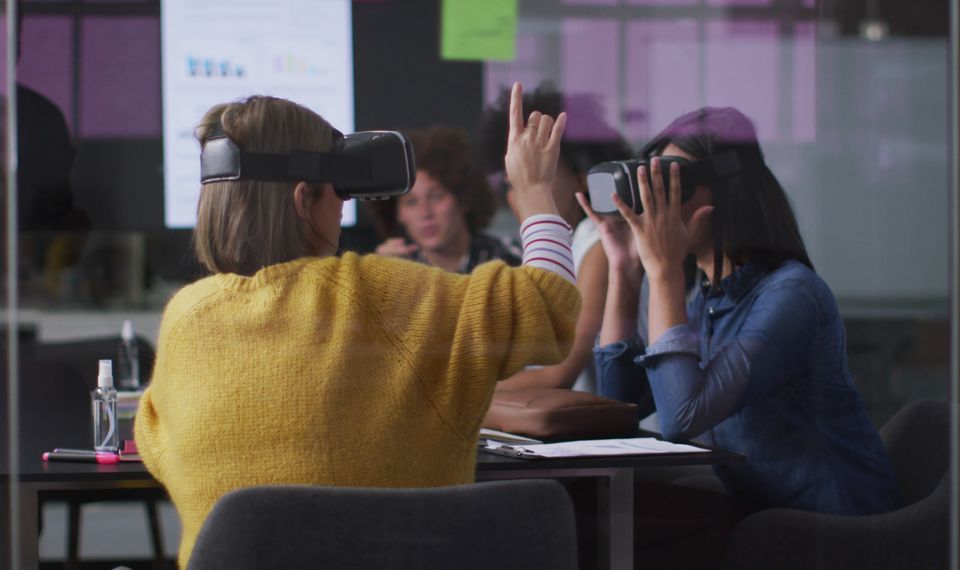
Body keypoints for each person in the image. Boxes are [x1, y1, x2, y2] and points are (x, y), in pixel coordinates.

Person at [135, 84, 581, 568]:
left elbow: (157, 446)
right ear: (304, 199)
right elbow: (548, 308)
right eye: (337, 192)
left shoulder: (186, 318)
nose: (343, 207)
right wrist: (535, 191)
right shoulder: (385, 295)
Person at [580, 107, 903, 567]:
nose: (656, 204)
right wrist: (625, 269)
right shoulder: (707, 302)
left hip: (840, 533)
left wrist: (666, 271)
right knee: (596, 516)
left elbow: (681, 419)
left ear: (727, 191)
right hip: (767, 520)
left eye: (674, 184)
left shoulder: (792, 296)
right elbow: (616, 407)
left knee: (623, 529)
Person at [476, 84, 633, 392]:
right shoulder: (555, 246)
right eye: (512, 184)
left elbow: (558, 375)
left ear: (580, 177)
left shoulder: (600, 245)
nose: (522, 194)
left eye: (540, 176)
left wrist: (454, 391)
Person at [369, 125, 520, 273]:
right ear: (397, 214)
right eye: (411, 202)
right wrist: (379, 281)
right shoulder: (395, 268)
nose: (425, 213)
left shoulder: (511, 259)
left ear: (463, 199)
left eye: (436, 197)